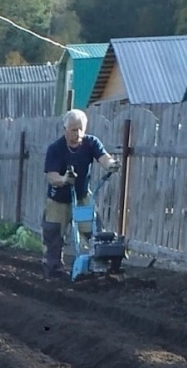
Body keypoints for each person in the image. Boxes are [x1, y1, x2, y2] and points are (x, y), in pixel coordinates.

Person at [41, 108, 121, 277]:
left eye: (81, 129)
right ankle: (54, 270)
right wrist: (63, 180)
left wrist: (111, 164)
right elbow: (51, 175)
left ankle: (102, 265)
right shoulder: (56, 149)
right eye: (74, 130)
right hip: (58, 199)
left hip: (82, 196)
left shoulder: (91, 143)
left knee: (94, 232)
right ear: (65, 130)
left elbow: (103, 157)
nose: (78, 133)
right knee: (54, 235)